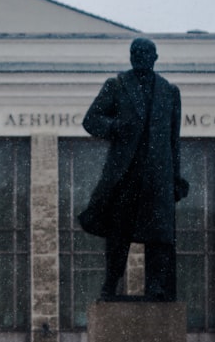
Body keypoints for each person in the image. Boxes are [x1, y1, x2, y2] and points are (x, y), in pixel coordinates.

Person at [78, 37, 188, 301]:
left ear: (155, 58)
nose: (139, 57)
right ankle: (110, 284)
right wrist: (115, 126)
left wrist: (175, 176)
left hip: (158, 175)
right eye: (135, 53)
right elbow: (90, 120)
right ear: (130, 56)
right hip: (126, 173)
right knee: (119, 234)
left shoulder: (169, 92)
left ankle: (156, 287)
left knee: (159, 235)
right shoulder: (117, 85)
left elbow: (174, 140)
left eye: (145, 53)